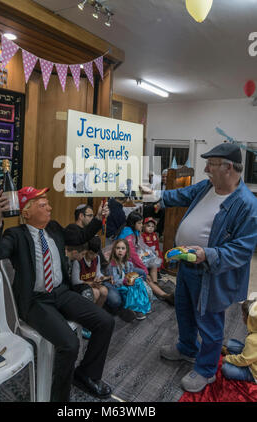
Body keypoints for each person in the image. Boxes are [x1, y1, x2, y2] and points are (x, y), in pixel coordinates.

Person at [141, 142, 257, 392]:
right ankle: (187, 348)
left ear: (228, 168)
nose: (206, 169)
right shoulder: (208, 186)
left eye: (211, 164)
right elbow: (183, 195)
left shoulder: (247, 204)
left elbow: (242, 250)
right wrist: (156, 194)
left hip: (212, 273)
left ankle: (206, 371)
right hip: (186, 265)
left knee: (210, 323)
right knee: (183, 309)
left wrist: (208, 254)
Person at [0, 186, 115, 402]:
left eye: (48, 204)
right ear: (26, 212)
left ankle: (85, 375)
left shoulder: (53, 228)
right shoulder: (16, 235)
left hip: (61, 292)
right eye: (43, 205)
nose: (50, 208)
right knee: (69, 344)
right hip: (36, 301)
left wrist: (99, 219)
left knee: (105, 321)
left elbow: (80, 235)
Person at [116, 211, 174, 305]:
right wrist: (143, 267)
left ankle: (155, 285)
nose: (141, 225)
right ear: (133, 223)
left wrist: (149, 254)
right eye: (139, 223)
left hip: (130, 259)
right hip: (124, 263)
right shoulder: (128, 235)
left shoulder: (132, 231)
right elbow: (132, 255)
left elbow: (140, 247)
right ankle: (163, 295)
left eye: (141, 223)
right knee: (144, 273)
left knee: (153, 263)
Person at [107, 239, 151, 321]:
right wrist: (125, 281)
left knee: (138, 282)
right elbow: (115, 281)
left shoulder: (128, 263)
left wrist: (132, 279)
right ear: (114, 250)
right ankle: (136, 309)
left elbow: (130, 273)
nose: (120, 250)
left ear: (126, 250)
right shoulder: (112, 265)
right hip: (119, 286)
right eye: (118, 248)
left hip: (127, 283)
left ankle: (143, 305)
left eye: (123, 248)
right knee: (132, 288)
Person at [221, 299, 257, 383]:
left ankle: (250, 377)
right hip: (252, 357)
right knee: (231, 344)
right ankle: (234, 356)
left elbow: (244, 360)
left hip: (253, 371)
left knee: (226, 369)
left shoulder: (252, 340)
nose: (242, 317)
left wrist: (227, 359)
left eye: (244, 316)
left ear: (251, 321)